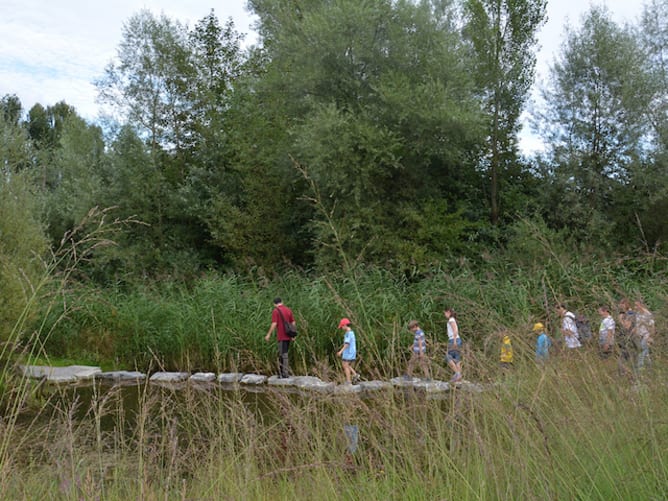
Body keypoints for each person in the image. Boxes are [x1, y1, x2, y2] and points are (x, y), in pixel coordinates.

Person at [264, 297, 296, 378]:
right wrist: (293, 334)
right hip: (288, 336)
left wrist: (268, 334)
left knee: (283, 354)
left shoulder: (276, 311)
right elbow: (293, 322)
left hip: (282, 336)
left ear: (274, 304)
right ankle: (283, 372)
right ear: (282, 302)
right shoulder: (288, 310)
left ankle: (284, 374)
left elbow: (274, 323)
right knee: (284, 353)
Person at [337, 318, 360, 384]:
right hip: (348, 352)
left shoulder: (349, 334)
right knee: (345, 364)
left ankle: (348, 381)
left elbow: (347, 344)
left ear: (345, 325)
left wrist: (340, 351)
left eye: (342, 327)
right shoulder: (349, 333)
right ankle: (355, 375)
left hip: (349, 352)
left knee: (345, 365)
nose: (341, 328)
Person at [634, 299, 655, 371]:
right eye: (635, 305)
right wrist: (636, 332)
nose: (635, 307)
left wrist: (650, 337)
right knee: (645, 353)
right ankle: (650, 367)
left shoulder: (648, 314)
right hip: (640, 335)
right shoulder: (637, 314)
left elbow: (652, 327)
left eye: (637, 305)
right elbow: (637, 325)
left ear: (641, 305)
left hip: (646, 335)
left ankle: (640, 368)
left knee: (641, 350)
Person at [444, 308, 462, 383]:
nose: (444, 315)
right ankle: (459, 378)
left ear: (448, 312)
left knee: (448, 357)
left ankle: (457, 374)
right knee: (457, 359)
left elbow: (455, 330)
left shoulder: (451, 320)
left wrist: (454, 341)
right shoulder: (453, 319)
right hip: (457, 339)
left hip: (453, 340)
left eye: (445, 313)